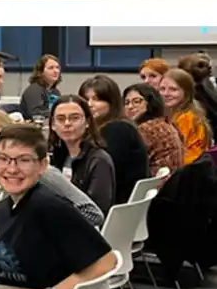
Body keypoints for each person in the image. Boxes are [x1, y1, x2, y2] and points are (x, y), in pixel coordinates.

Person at [0, 124, 116, 289]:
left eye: (24, 160)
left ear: (42, 165)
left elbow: (106, 261)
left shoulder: (50, 207)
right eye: (3, 159)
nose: (11, 169)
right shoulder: (2, 209)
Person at [0, 109, 104, 227]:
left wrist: (44, 226)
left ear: (8, 127)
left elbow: (93, 214)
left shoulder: (41, 173)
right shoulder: (6, 175)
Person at [80, 75, 149, 204]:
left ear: (111, 102)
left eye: (96, 99)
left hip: (116, 202)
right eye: (85, 99)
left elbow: (103, 172)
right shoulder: (115, 126)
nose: (89, 105)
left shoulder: (117, 130)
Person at [49, 96, 116, 216]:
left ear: (87, 123)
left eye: (75, 118)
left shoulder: (99, 160)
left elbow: (97, 211)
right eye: (61, 119)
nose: (67, 123)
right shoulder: (53, 157)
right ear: (53, 125)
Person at [122, 84, 185, 176]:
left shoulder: (147, 129)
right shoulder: (166, 124)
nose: (130, 107)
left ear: (150, 102)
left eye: (136, 101)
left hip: (155, 185)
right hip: (173, 183)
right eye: (126, 103)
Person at [159, 68, 212, 166]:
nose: (166, 94)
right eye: (162, 89)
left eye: (173, 89)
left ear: (186, 92)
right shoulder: (173, 114)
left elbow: (184, 156)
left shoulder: (187, 118)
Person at [178, 53, 217, 138]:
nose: (208, 68)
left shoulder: (209, 88)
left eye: (208, 65)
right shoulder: (186, 95)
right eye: (200, 66)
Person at [19, 54, 62, 119]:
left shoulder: (55, 92)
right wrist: (56, 112)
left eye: (57, 67)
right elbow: (35, 113)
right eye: (51, 68)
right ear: (41, 72)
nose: (56, 71)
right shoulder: (34, 90)